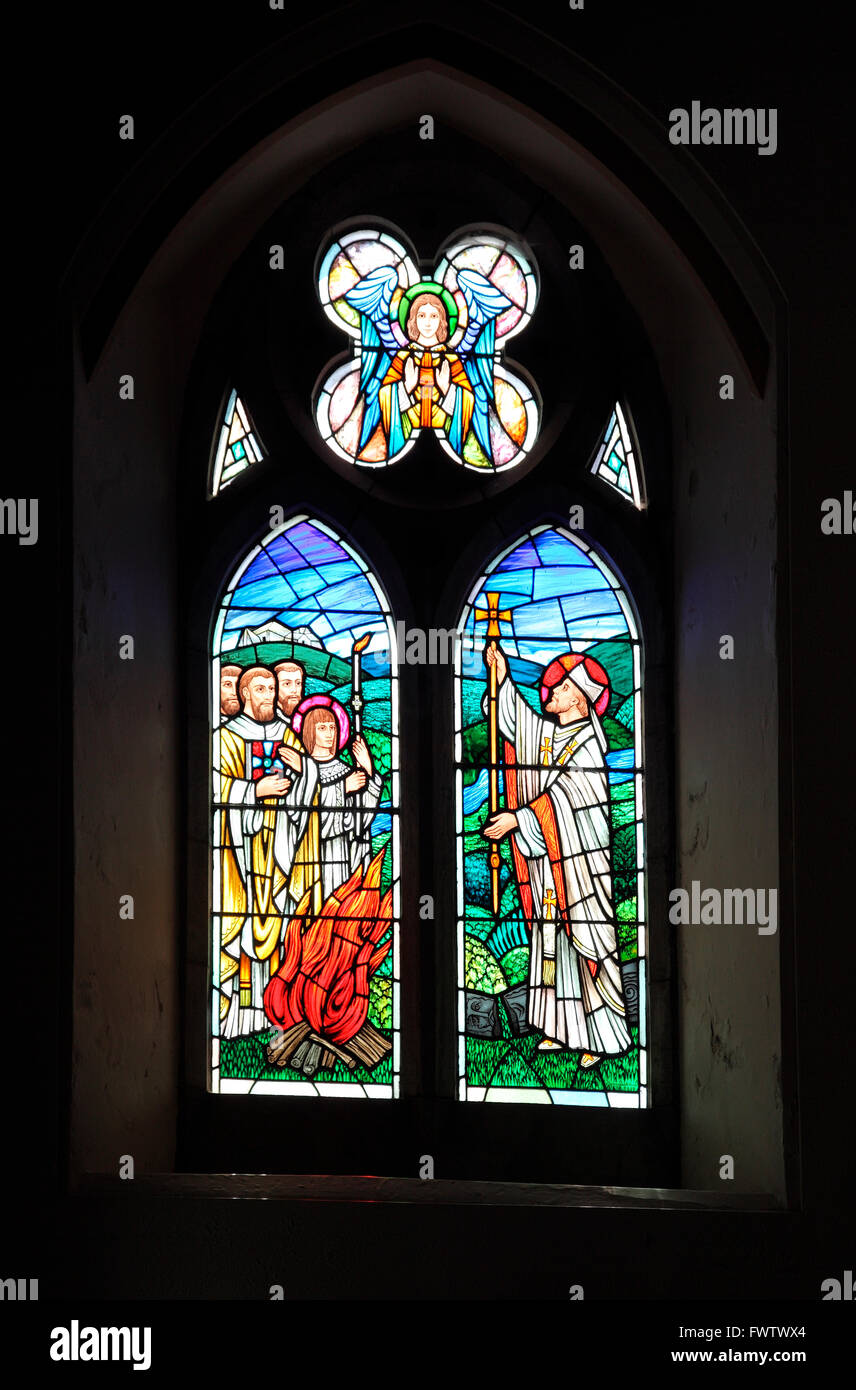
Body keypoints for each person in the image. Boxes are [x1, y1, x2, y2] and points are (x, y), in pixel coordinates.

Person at [481, 646, 631, 1066]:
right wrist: (502, 677)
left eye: (561, 687)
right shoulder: (550, 735)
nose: (551, 690)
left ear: (580, 698)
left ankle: (601, 1037)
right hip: (550, 863)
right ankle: (561, 1028)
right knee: (550, 941)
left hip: (580, 867)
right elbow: (518, 725)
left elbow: (567, 800)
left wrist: (518, 820)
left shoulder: (586, 746)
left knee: (584, 941)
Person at [215, 666, 319, 1036]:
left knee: (284, 924)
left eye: (272, 688)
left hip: (283, 849)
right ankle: (242, 1015)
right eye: (260, 689)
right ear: (244, 694)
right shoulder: (226, 738)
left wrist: (306, 770)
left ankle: (280, 1010)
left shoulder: (288, 736)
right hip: (238, 855)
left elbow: (311, 793)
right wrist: (255, 792)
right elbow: (216, 789)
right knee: (241, 925)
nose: (269, 695)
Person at [282, 697, 382, 900]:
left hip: (339, 854)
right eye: (322, 728)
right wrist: (342, 788)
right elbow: (297, 816)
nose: (329, 734)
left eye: (333, 728)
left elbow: (361, 820)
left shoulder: (346, 770)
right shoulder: (298, 770)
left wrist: (368, 768)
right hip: (307, 859)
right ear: (310, 731)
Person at [379, 292, 474, 450]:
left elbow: (468, 400)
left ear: (442, 320)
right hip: (407, 424)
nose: (428, 322)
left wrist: (447, 388)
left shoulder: (451, 359)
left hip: (444, 424)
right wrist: (406, 387)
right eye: (422, 315)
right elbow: (384, 395)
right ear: (413, 320)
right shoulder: (403, 357)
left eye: (434, 316)